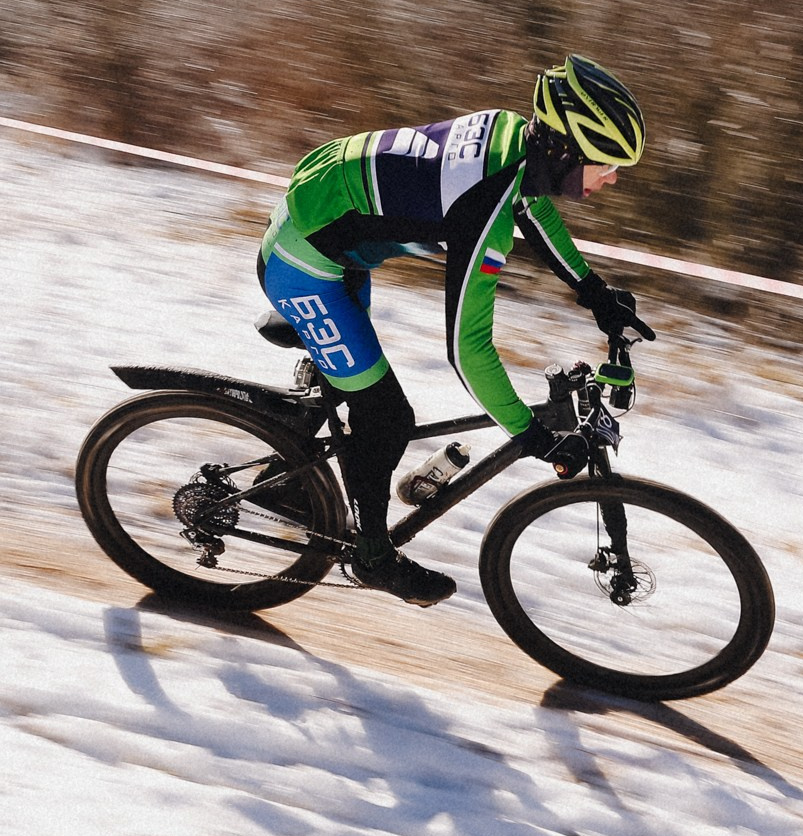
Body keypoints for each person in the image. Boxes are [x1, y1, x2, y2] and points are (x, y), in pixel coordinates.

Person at [257, 54, 657, 605]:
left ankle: (294, 469)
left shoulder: (515, 137)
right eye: (607, 164)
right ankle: (372, 557)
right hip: (303, 263)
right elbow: (466, 349)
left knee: (359, 390)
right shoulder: (481, 210)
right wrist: (527, 432)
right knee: (387, 417)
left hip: (329, 218)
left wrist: (594, 292)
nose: (612, 179)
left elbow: (531, 208)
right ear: (566, 151)